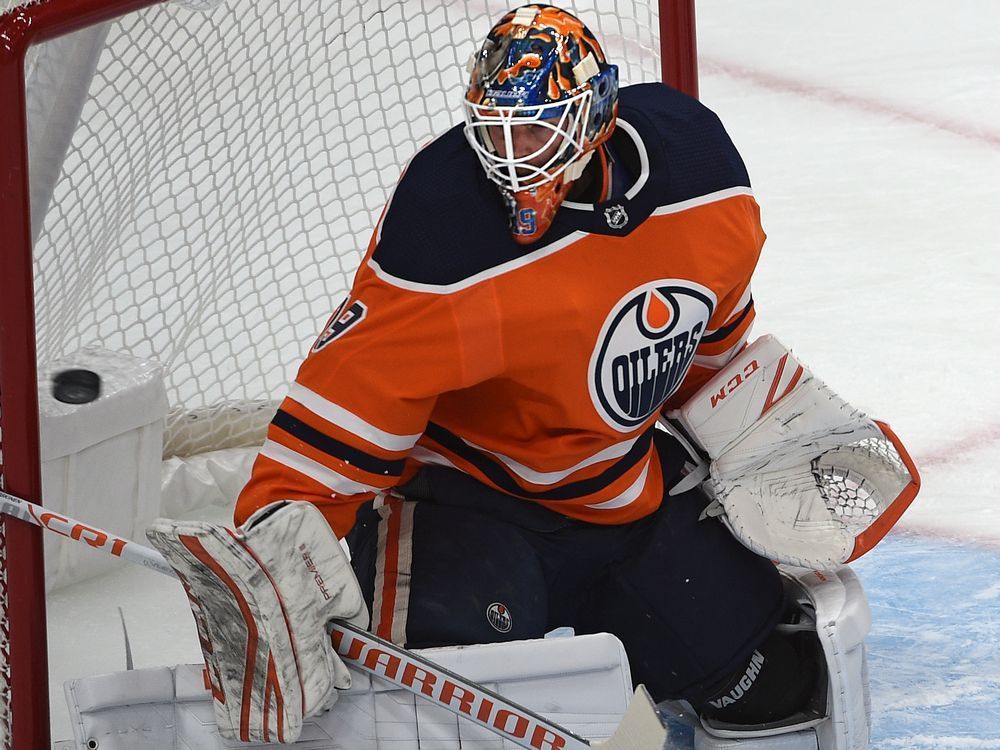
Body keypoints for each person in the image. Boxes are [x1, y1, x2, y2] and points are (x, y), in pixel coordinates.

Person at [150, 5, 891, 747]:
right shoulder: (447, 226)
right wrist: (279, 542)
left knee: (770, 688)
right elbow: (347, 406)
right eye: (494, 130)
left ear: (596, 115)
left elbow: (710, 335)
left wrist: (751, 418)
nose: (512, 155)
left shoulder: (700, 173)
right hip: (466, 504)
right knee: (444, 728)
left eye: (536, 129)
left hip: (620, 492)